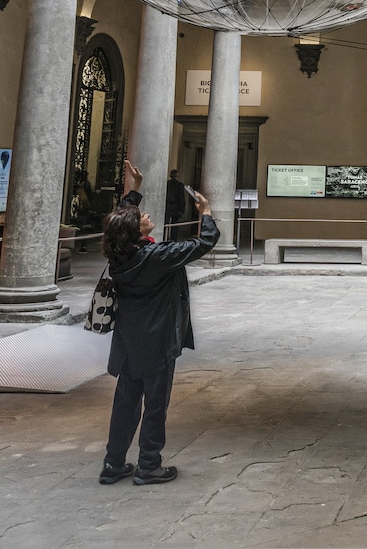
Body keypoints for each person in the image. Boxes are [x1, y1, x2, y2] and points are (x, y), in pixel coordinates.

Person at [99, 158, 219, 486]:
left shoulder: (119, 253)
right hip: (157, 338)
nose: (147, 215)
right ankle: (149, 465)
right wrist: (205, 213)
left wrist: (133, 192)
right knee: (155, 405)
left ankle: (113, 464)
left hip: (128, 339)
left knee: (125, 401)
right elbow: (204, 244)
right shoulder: (156, 257)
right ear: (136, 230)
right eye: (142, 217)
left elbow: (117, 223)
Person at [164, 171, 187, 236]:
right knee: (174, 225)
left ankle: (164, 237)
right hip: (176, 207)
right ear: (177, 176)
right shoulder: (180, 185)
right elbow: (181, 197)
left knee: (166, 224)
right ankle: (173, 239)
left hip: (167, 206)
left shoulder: (167, 183)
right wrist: (182, 209)